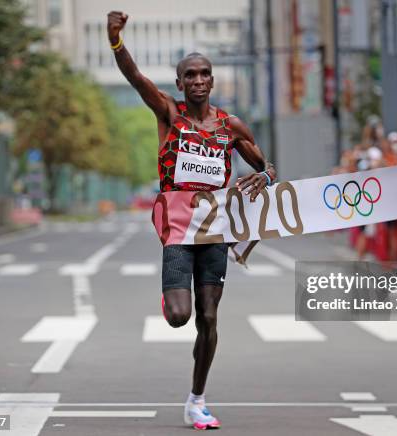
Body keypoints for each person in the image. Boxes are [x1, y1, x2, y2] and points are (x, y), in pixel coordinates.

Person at [107, 11, 277, 431]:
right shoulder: (168, 112)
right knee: (181, 316)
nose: (199, 80)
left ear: (212, 81)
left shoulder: (228, 125)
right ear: (181, 83)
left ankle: (196, 399)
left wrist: (266, 176)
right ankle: (170, 300)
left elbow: (266, 164)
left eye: (205, 74)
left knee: (210, 318)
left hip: (216, 229)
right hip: (180, 230)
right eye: (191, 75)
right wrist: (115, 40)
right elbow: (134, 76)